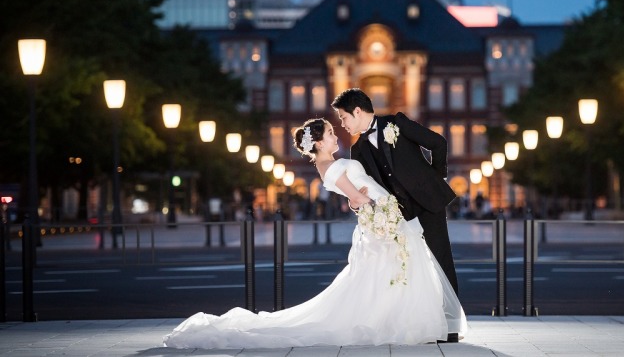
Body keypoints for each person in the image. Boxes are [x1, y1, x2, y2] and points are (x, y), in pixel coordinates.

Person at [162, 118, 467, 349]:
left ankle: (400, 322)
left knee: (388, 274)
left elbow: (354, 199)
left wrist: (363, 201)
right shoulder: (331, 167)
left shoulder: (330, 165)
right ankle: (404, 324)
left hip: (382, 222)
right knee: (395, 272)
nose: (338, 135)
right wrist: (371, 203)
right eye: (332, 133)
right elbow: (358, 199)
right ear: (318, 143)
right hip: (382, 222)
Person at [331, 87, 461, 342]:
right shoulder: (356, 151)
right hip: (399, 214)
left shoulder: (396, 123)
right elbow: (363, 188)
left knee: (441, 260)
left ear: (357, 111)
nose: (343, 124)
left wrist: (434, 178)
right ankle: (423, 324)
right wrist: (357, 204)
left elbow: (438, 143)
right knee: (412, 267)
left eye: (344, 118)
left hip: (428, 203)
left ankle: (451, 327)